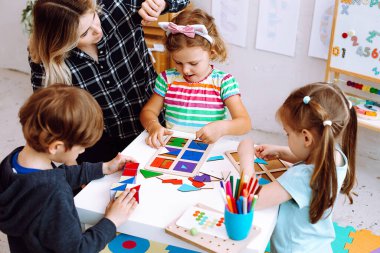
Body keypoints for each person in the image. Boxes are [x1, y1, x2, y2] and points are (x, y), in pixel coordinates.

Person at [28, 0, 190, 164]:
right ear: (60, 40)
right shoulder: (44, 60)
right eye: (84, 34)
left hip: (152, 122)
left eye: (94, 18)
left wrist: (162, 4)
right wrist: (75, 169)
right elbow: (54, 120)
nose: (97, 30)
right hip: (96, 145)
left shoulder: (117, 5)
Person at [0, 84, 138, 253]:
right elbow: (77, 249)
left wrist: (104, 168)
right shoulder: (54, 195)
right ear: (56, 147)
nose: (83, 151)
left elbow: (55, 175)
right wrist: (112, 221)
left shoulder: (14, 162)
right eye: (81, 147)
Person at [238, 82, 357, 253]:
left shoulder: (302, 176)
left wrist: (245, 156)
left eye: (287, 133)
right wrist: (281, 152)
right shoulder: (336, 155)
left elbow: (249, 200)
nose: (286, 137)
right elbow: (313, 157)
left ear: (306, 138)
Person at [140, 8, 251, 148]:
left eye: (193, 63)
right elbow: (148, 111)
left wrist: (222, 128)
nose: (185, 70)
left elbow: (244, 123)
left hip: (209, 149)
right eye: (178, 62)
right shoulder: (167, 79)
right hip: (173, 146)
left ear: (211, 53)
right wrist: (154, 126)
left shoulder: (224, 82)